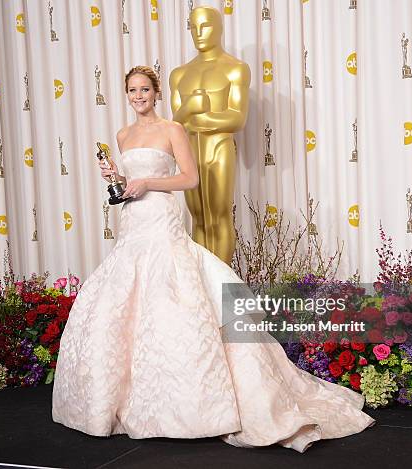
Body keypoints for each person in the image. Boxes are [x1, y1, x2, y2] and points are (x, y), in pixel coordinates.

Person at [51, 66, 375, 453]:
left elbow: (189, 179)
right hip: (132, 223)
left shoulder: (172, 129)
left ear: (156, 93)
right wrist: (118, 179)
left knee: (172, 297)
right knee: (126, 302)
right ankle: (131, 401)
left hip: (161, 218)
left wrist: (147, 182)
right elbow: (127, 188)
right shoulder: (123, 135)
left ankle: (192, 406)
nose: (138, 96)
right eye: (132, 91)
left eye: (144, 89)